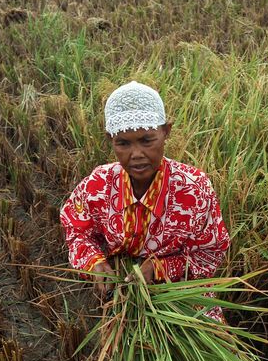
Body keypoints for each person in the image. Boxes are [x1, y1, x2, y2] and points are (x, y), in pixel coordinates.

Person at [59, 81, 229, 321]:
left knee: (212, 351)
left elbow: (210, 252)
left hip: (182, 297)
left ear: (166, 131)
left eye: (147, 140)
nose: (136, 154)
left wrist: (159, 268)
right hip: (118, 294)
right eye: (123, 143)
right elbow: (77, 230)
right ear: (111, 139)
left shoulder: (194, 189)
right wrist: (94, 262)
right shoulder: (98, 185)